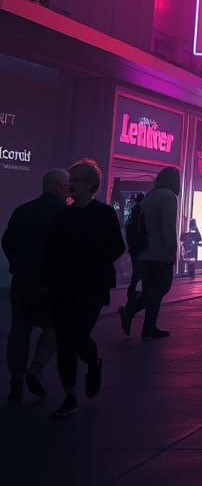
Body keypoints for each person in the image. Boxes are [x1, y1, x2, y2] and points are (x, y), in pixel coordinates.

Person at [43, 160, 125, 419]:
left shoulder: (104, 214)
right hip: (63, 286)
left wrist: (95, 263)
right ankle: (69, 395)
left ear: (92, 185)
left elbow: (117, 247)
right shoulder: (62, 216)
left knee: (76, 335)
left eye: (76, 181)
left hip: (91, 286)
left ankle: (92, 362)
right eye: (71, 180)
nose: (71, 185)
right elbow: (52, 250)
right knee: (65, 340)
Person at [3, 168, 68, 403]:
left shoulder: (22, 210)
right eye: (67, 186)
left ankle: (16, 377)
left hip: (22, 281)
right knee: (57, 326)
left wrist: (17, 265)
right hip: (51, 284)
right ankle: (37, 366)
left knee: (19, 330)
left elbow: (7, 242)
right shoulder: (65, 214)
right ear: (59, 187)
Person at [119, 166, 180, 340]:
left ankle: (149, 326)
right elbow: (168, 226)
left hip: (145, 251)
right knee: (161, 288)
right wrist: (172, 250)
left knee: (149, 290)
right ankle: (132, 313)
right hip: (160, 251)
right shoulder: (169, 196)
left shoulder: (150, 195)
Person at [123, 192, 146, 301]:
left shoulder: (133, 213)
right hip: (138, 246)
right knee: (139, 269)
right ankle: (134, 291)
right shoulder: (140, 213)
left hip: (134, 246)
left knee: (137, 269)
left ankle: (133, 290)